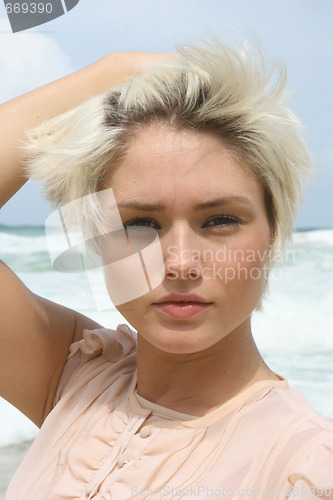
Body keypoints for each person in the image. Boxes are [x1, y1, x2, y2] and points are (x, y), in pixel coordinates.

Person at [1, 41, 332, 500]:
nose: (179, 264)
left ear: (274, 234)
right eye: (139, 223)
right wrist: (114, 71)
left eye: (219, 220)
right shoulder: (76, 378)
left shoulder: (304, 467)